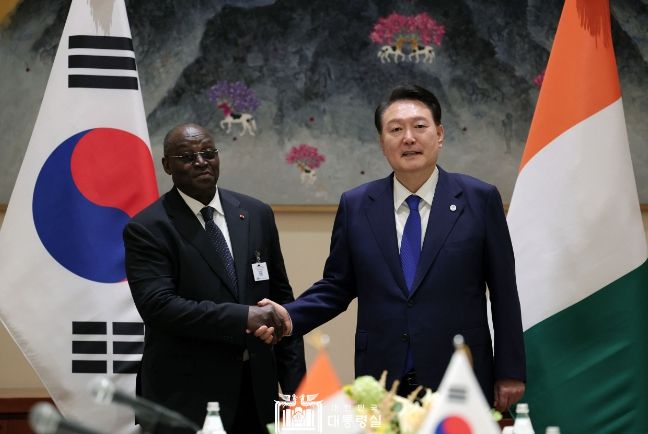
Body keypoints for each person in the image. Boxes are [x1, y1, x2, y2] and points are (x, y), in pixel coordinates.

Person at [257, 85, 526, 411]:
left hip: (460, 371)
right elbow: (337, 286)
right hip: (381, 375)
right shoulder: (357, 205)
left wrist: (510, 370)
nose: (408, 138)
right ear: (382, 143)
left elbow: (503, 291)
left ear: (439, 134)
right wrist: (289, 315)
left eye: (420, 126)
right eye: (396, 130)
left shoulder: (479, 199)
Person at [123, 123, 305, 434]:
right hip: (184, 399)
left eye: (208, 153)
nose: (200, 162)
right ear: (167, 165)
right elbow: (159, 307)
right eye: (187, 157)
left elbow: (282, 304)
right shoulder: (148, 228)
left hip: (256, 392)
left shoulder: (256, 213)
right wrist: (244, 317)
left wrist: (296, 392)